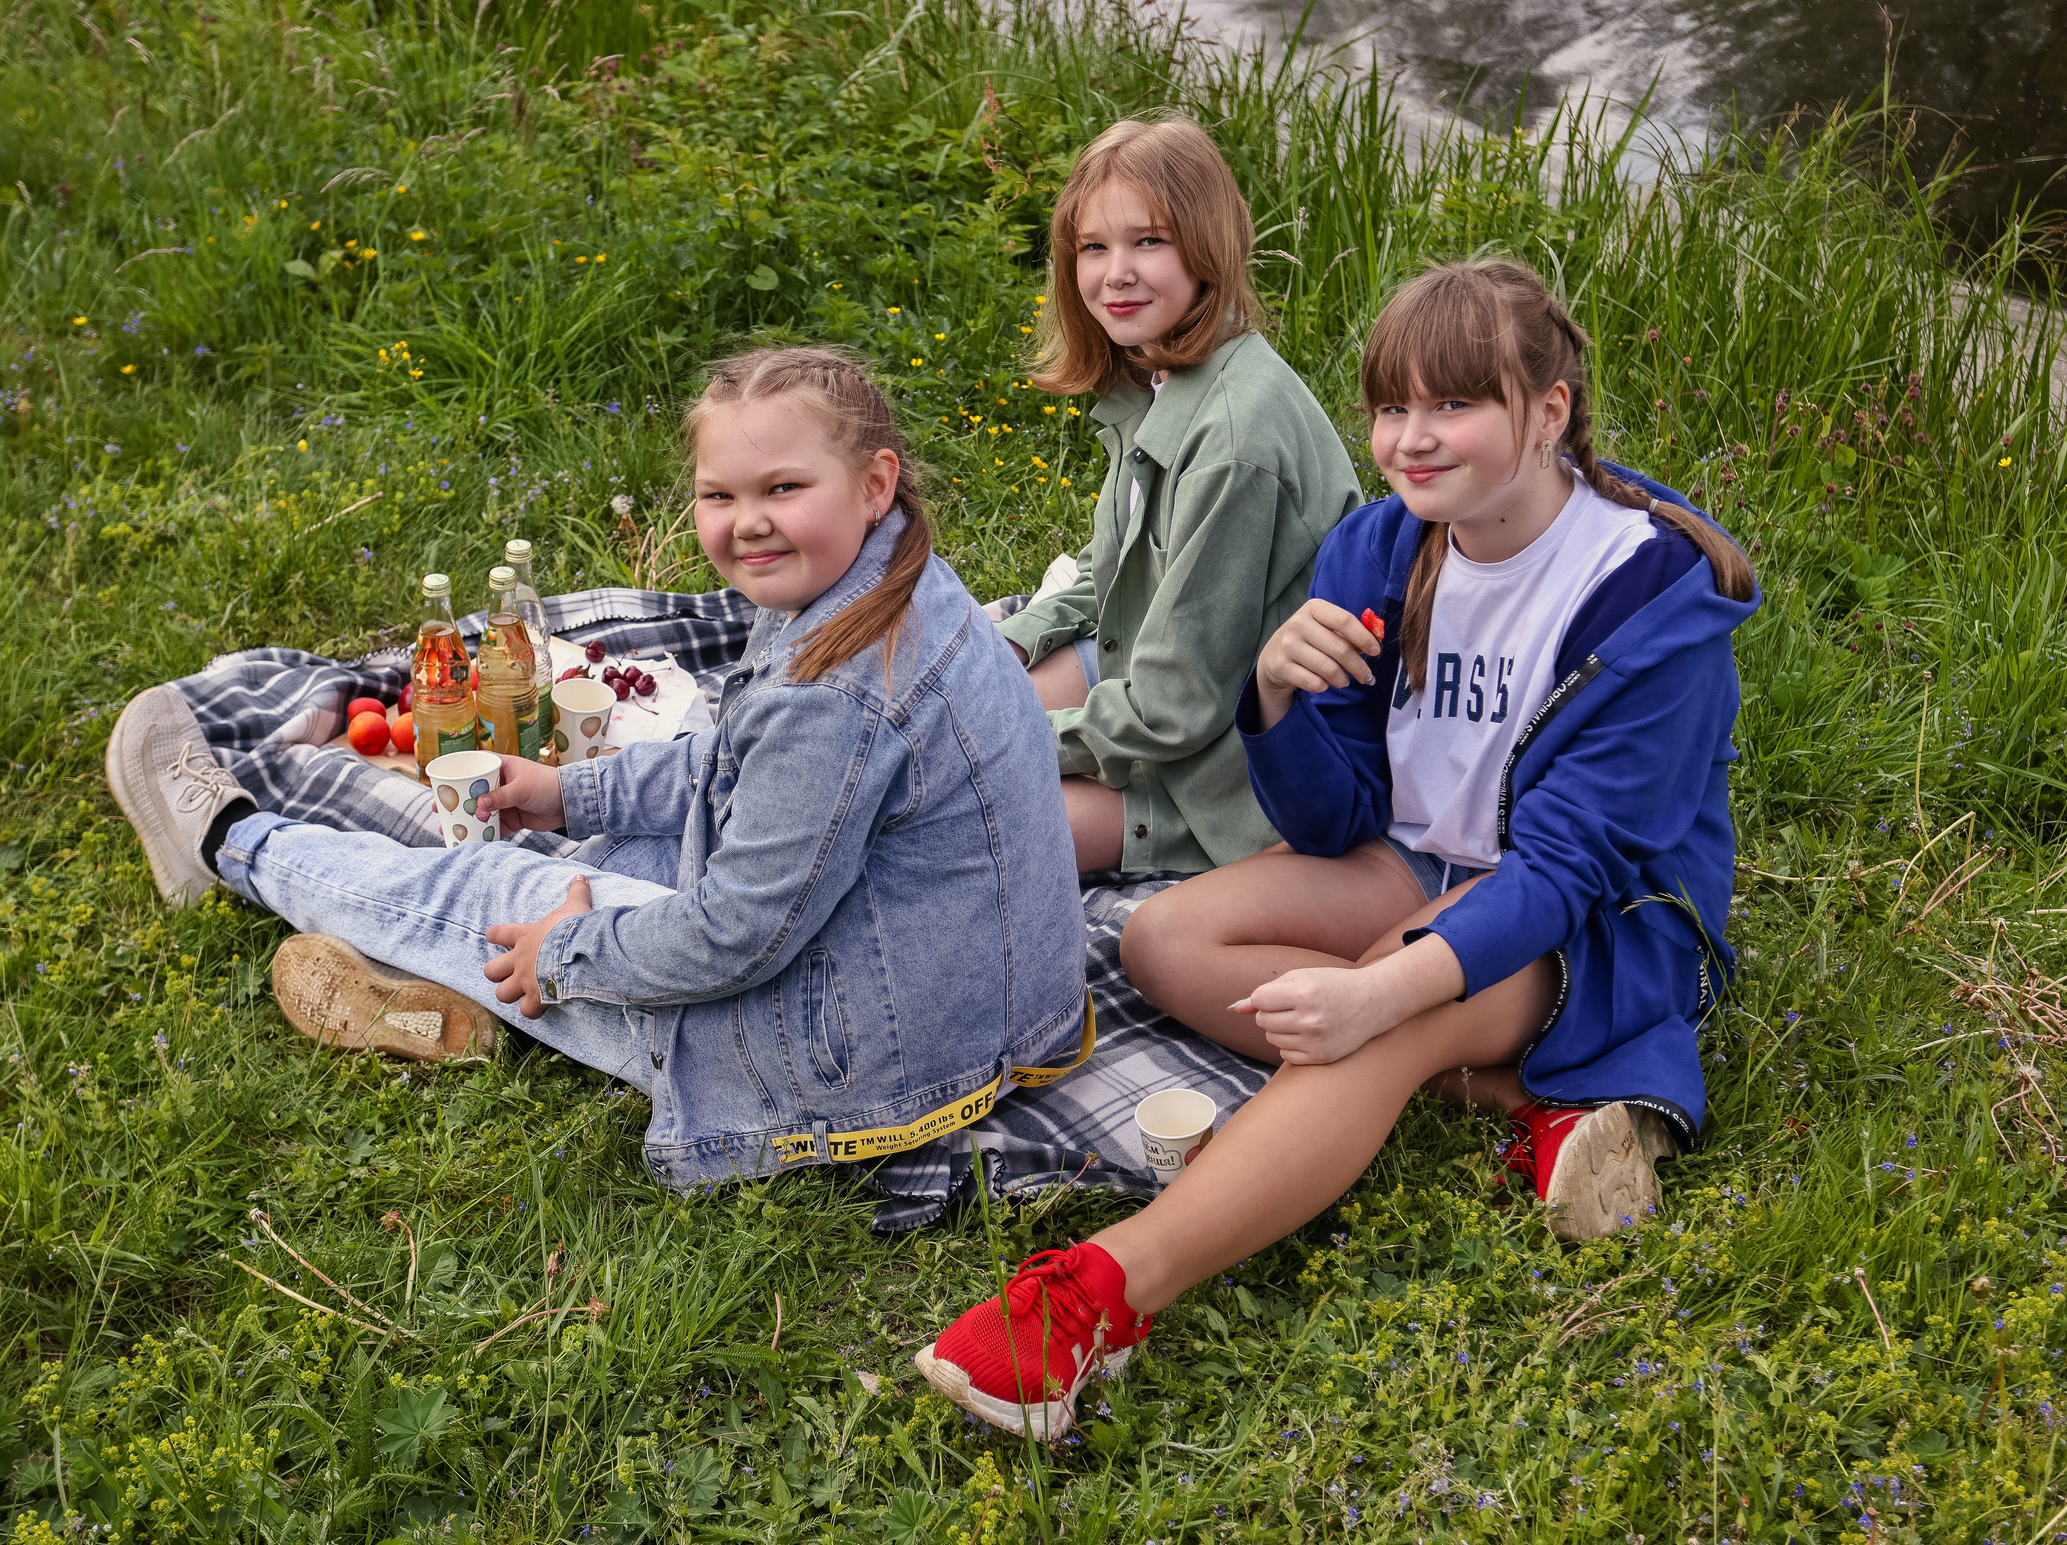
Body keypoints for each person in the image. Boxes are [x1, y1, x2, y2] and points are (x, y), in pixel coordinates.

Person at [916, 258, 1761, 1436]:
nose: (1412, 441)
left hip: (1593, 923)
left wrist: (1386, 993)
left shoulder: (1648, 595)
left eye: (1454, 406)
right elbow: (1332, 820)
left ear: (1550, 410)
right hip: (1411, 864)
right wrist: (1271, 701)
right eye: (1391, 408)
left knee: (1375, 1019)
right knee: (1163, 937)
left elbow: (1569, 871)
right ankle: (1526, 1095)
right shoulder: (1380, 547)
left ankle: (1101, 1299)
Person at [103, 347, 1090, 1185]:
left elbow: (740, 936)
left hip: (862, 1061)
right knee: (609, 844)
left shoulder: (831, 696)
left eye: (783, 489)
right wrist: (572, 790)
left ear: (873, 483)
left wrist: (570, 952)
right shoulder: (906, 581)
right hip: (1001, 1006)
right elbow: (741, 767)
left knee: (497, 887)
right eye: (720, 495)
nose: (747, 521)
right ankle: (419, 985)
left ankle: (229, 841)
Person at [999, 115, 1360, 875]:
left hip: (1224, 774)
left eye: (1149, 242)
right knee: (967, 700)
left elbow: (1178, 708)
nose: (1115, 272)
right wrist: (1007, 642)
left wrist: (1003, 737)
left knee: (973, 818)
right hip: (1162, 676)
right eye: (1094, 247)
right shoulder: (1158, 378)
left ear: (1208, 247)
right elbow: (1111, 573)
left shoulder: (1232, 438)